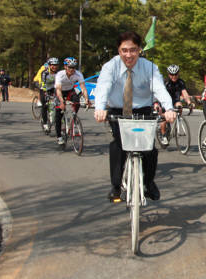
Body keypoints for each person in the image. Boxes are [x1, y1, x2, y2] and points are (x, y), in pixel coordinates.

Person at [94, 31, 176, 202]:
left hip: (143, 110)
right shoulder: (110, 67)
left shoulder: (149, 67)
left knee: (149, 150)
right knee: (118, 146)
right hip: (118, 111)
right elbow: (103, 88)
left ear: (139, 50)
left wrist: (169, 108)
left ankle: (148, 183)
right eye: (124, 50)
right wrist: (100, 108)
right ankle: (116, 186)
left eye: (133, 50)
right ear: (118, 50)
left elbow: (160, 89)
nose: (128, 55)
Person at [54, 58, 90, 145]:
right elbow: (58, 89)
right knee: (58, 114)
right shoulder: (60, 74)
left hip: (70, 90)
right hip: (60, 92)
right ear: (65, 67)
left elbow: (83, 88)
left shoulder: (78, 74)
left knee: (76, 101)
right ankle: (59, 137)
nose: (72, 70)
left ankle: (73, 118)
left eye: (74, 67)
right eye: (70, 67)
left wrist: (87, 99)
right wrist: (62, 102)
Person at [158, 64, 194, 143]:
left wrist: (189, 102)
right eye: (172, 74)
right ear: (168, 74)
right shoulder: (165, 82)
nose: (174, 76)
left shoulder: (181, 82)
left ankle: (178, 120)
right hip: (165, 101)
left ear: (178, 74)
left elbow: (184, 93)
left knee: (179, 106)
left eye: (176, 74)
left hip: (175, 100)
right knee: (164, 119)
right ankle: (163, 135)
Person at [39, 58, 60, 132]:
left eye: (56, 65)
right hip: (44, 89)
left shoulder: (58, 73)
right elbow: (43, 83)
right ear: (49, 65)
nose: (54, 67)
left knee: (58, 103)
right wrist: (45, 93)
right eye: (52, 65)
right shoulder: (45, 73)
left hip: (53, 89)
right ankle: (45, 123)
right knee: (45, 105)